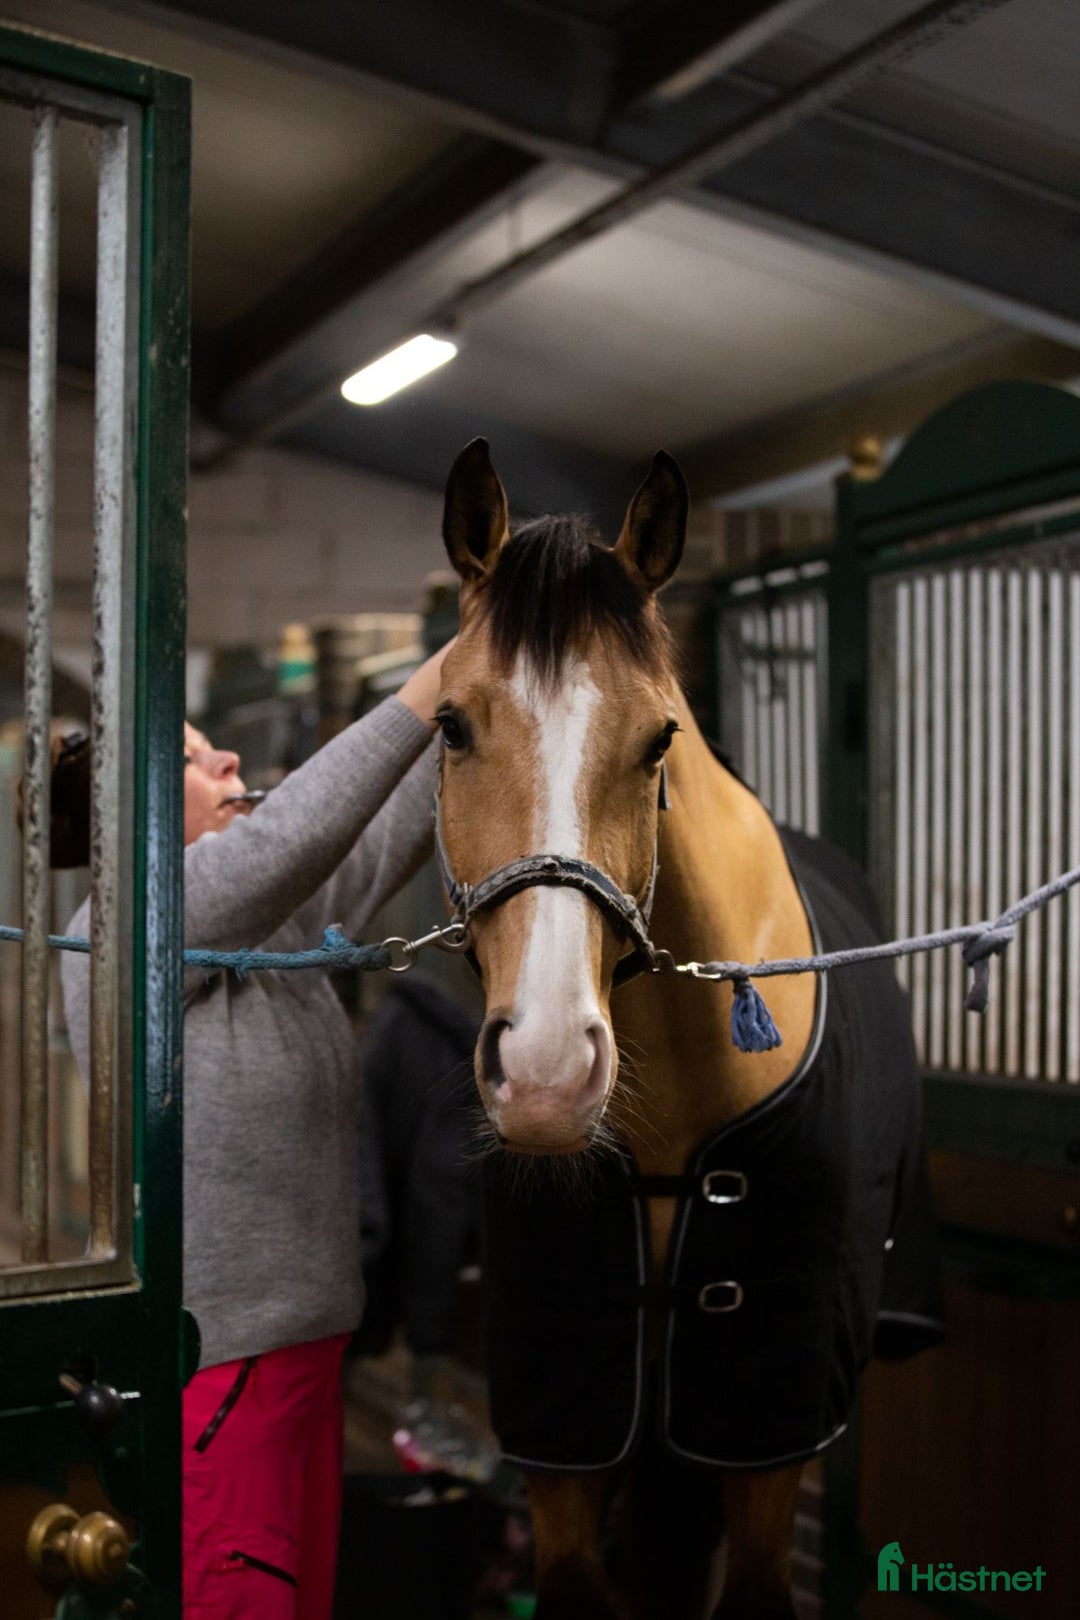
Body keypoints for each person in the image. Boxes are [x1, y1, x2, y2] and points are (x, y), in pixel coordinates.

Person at [60, 644, 448, 1620]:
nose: (232, 763)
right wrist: (436, 677)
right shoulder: (125, 922)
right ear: (131, 818)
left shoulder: (256, 926)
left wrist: (487, 695)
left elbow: (363, 835)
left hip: (306, 1351)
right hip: (225, 1366)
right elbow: (288, 846)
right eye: (199, 758)